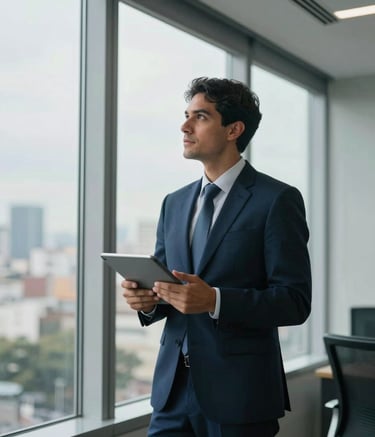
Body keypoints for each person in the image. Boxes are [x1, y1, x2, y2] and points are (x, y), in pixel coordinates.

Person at [121, 77, 311, 437]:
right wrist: (147, 301)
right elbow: (169, 287)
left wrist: (215, 300)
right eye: (186, 115)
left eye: (201, 117)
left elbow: (294, 302)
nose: (185, 126)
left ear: (233, 129)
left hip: (240, 394)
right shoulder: (173, 202)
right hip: (172, 393)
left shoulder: (276, 200)